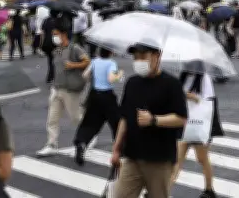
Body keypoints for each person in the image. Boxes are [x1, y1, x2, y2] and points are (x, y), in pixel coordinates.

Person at [110, 41, 188, 198]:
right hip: (132, 157)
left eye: (143, 56)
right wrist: (117, 148)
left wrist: (154, 120)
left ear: (157, 56)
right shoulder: (132, 83)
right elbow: (125, 118)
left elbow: (181, 118)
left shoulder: (171, 84)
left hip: (159, 160)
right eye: (135, 57)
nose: (139, 61)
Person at [36, 27, 90, 157]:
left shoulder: (74, 48)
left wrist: (73, 65)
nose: (54, 37)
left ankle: (89, 135)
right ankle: (51, 144)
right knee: (52, 118)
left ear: (64, 34)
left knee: (75, 117)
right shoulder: (57, 50)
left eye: (56, 34)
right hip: (56, 88)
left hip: (70, 89)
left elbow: (87, 61)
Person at [170, 71, 223, 197]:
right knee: (176, 160)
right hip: (185, 124)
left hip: (200, 124)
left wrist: (188, 95)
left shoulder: (204, 78)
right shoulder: (183, 76)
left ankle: (209, 190)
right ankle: (160, 193)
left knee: (202, 159)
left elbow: (207, 103)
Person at [73, 47, 123, 166]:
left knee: (90, 122)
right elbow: (111, 78)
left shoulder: (95, 61)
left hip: (94, 96)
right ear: (111, 52)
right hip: (107, 96)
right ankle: (121, 149)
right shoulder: (111, 63)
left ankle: (82, 142)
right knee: (117, 124)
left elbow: (85, 75)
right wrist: (119, 74)